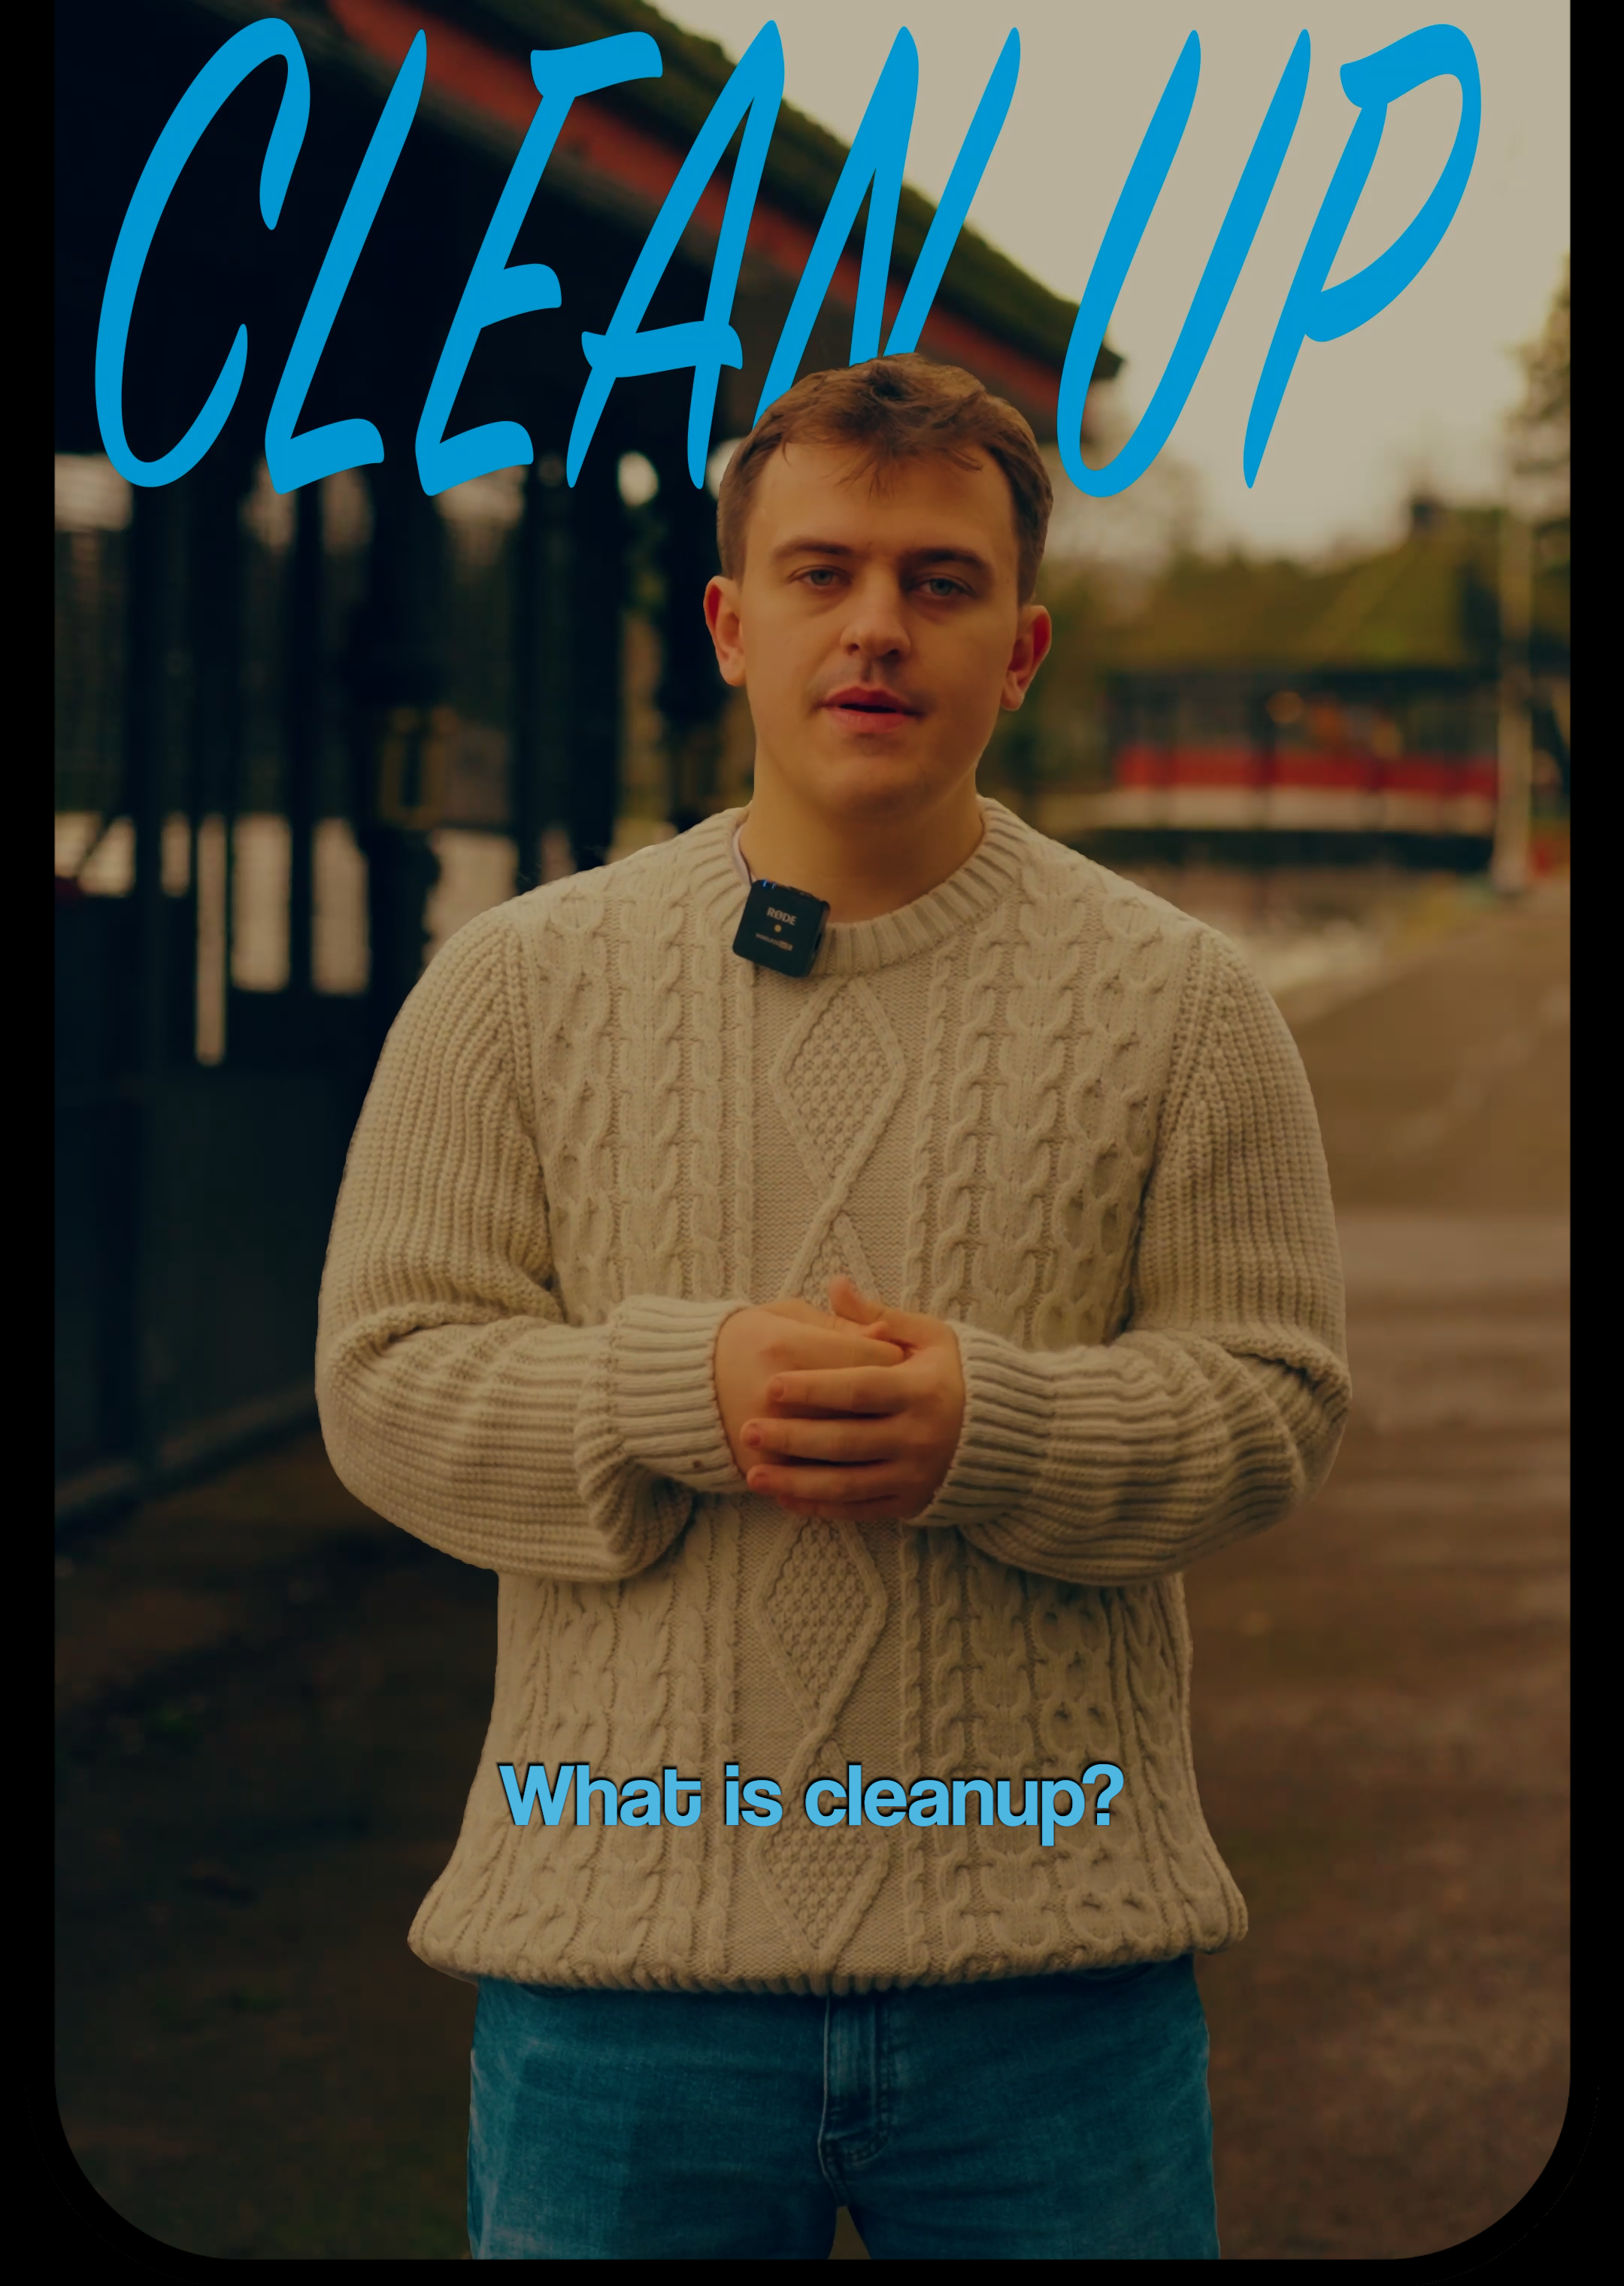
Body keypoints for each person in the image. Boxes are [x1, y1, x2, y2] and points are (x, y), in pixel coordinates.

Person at [317, 354, 1349, 2260]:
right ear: (730, 619)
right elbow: (384, 1383)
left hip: (1055, 1974)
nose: (878, 626)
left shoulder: (1187, 1004)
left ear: (1022, 644)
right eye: (823, 572)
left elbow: (1274, 1402)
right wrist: (669, 1385)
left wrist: (999, 1428)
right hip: (615, 1972)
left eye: (940, 584)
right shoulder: (515, 986)